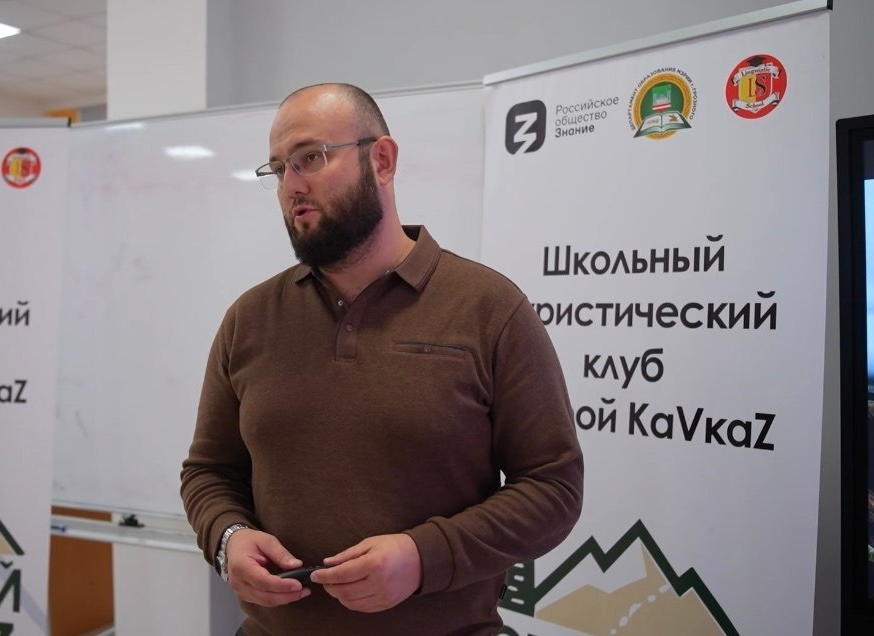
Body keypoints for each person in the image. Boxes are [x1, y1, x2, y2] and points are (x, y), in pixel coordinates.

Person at [180, 83, 583, 635]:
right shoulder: (249, 319)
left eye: (311, 158)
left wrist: (424, 557)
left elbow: (553, 488)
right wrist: (227, 537)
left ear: (382, 161)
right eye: (278, 169)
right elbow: (209, 471)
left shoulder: (489, 308)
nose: (291, 186)